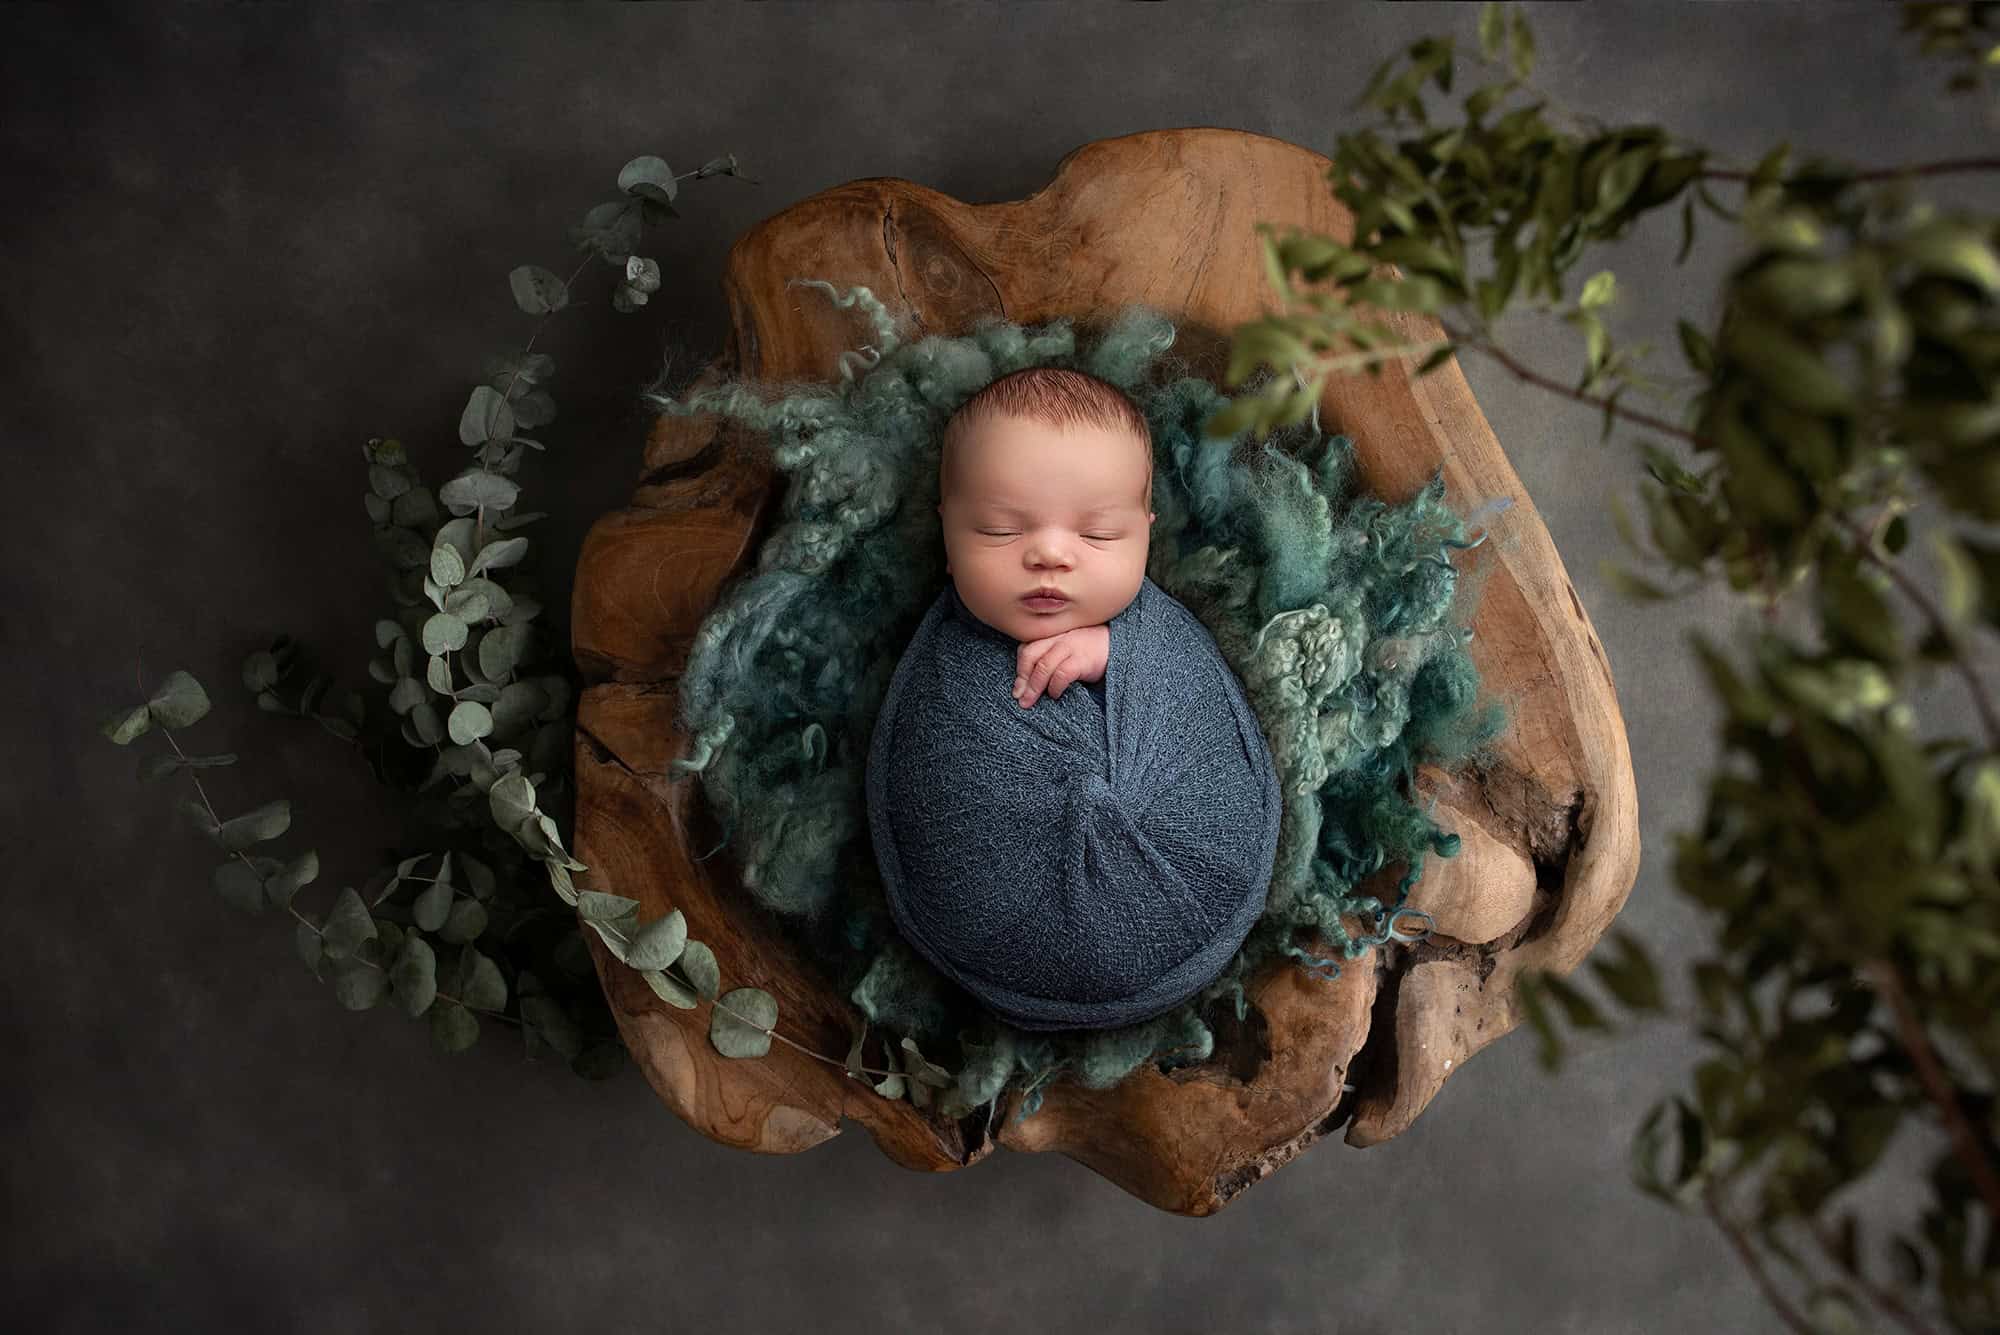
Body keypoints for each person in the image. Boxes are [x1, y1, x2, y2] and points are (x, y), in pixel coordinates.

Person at [933, 366, 1157, 710]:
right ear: (947, 538)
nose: (1050, 554)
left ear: (1146, 539)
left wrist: (1123, 657)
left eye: (1099, 534)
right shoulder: (937, 677)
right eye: (1000, 530)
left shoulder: (1166, 635)